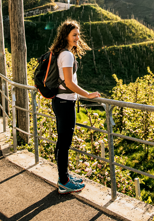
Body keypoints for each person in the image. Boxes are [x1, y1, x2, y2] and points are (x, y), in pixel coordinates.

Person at [50, 19, 101, 194]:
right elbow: (69, 83)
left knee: (62, 141)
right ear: (65, 36)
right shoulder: (67, 55)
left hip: (60, 101)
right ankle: (64, 181)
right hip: (65, 102)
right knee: (65, 142)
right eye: (74, 35)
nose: (77, 38)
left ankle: (64, 176)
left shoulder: (61, 53)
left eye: (78, 34)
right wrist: (87, 94)